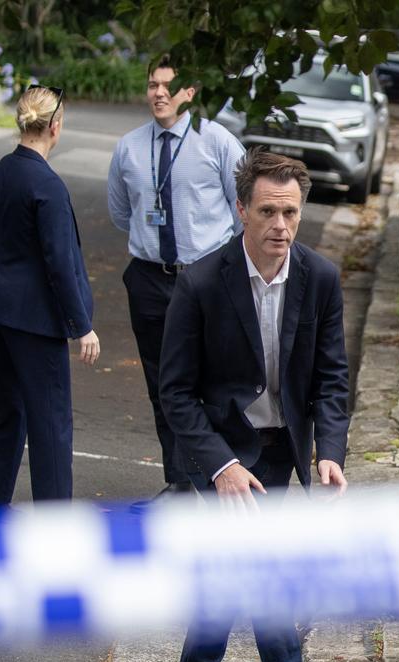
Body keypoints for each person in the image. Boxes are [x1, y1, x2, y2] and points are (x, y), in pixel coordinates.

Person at [159, 149, 349, 662]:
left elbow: (331, 379)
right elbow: (176, 393)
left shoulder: (319, 278)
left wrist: (329, 451)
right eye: (267, 211)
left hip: (278, 451)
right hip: (216, 452)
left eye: (291, 212)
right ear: (241, 210)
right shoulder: (201, 282)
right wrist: (220, 465)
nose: (281, 226)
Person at [107, 54, 246, 497]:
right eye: (152, 85)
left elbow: (242, 211)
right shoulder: (129, 147)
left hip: (206, 280)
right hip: (149, 280)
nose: (159, 93)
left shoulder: (218, 141)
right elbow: (119, 212)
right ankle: (180, 480)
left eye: (169, 85)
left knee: (211, 382)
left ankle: (220, 475)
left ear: (191, 91)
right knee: (162, 384)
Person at [0, 85, 99, 507]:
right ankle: (56, 524)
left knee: (5, 416)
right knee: (51, 425)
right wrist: (82, 327)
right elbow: (60, 263)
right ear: (55, 127)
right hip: (34, 320)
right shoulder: (48, 186)